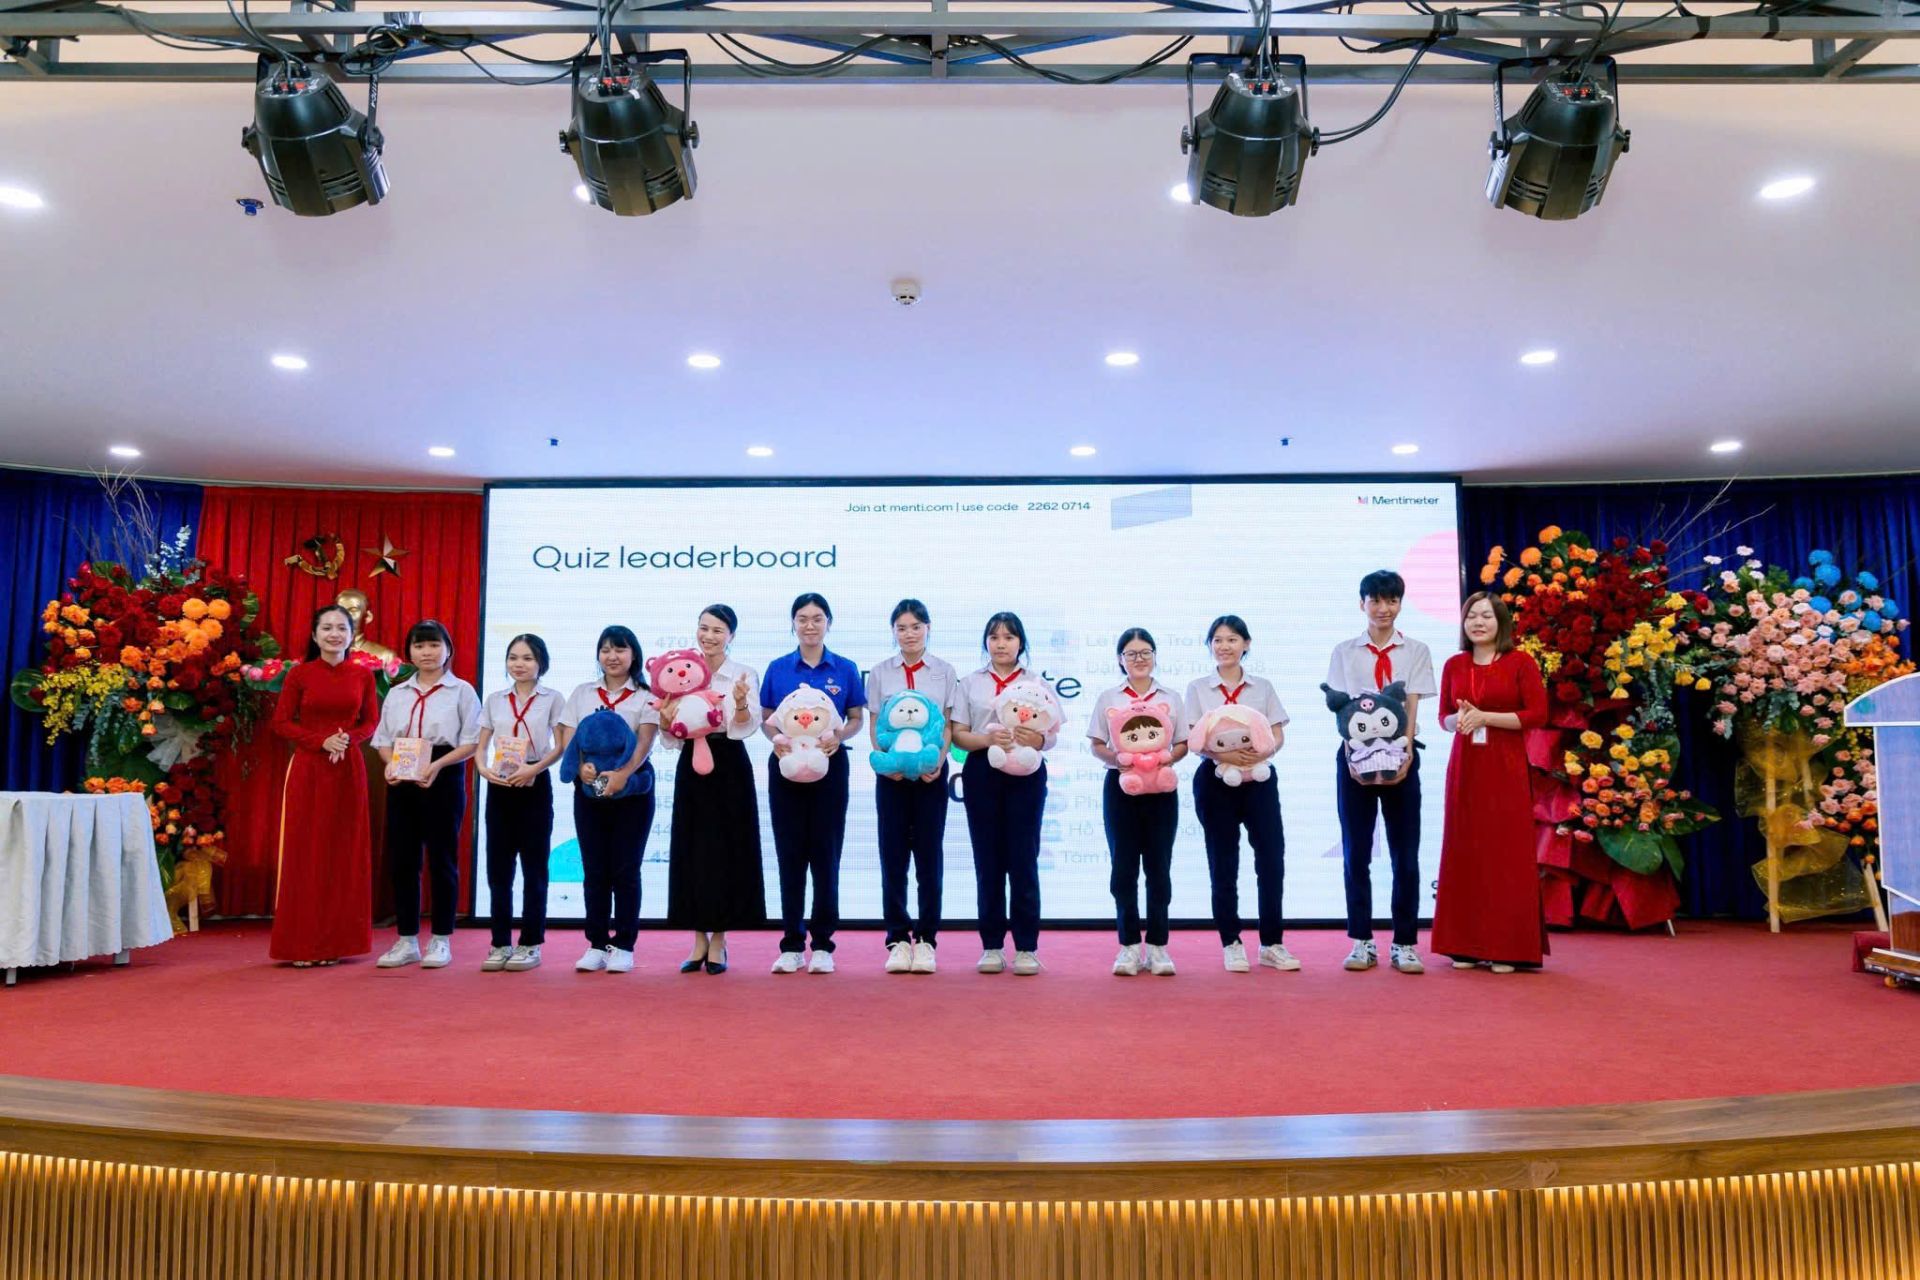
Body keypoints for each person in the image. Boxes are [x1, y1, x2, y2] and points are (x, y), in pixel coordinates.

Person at [1326, 569, 1438, 975]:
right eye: (1375, 600)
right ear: (1362, 604)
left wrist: (1404, 753)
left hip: (1401, 757)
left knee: (1405, 853)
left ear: (1400, 604)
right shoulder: (1344, 651)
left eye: (1391, 600)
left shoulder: (1417, 650)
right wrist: (1352, 758)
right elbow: (1343, 711)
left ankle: (1405, 943)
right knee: (1356, 852)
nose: (1383, 608)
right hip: (1354, 757)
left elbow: (1412, 704)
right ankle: (1362, 941)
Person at [1433, 591, 1550, 973]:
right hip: (1465, 766)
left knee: (1506, 852)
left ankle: (1507, 948)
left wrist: (1486, 718)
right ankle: (1464, 945)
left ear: (1501, 622)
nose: (1478, 622)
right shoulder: (1454, 664)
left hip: (1505, 766)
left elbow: (1537, 714)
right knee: (1464, 848)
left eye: (1485, 615)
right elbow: (1444, 717)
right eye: (1471, 616)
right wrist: (1460, 720)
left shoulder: (1520, 662)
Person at [268, 605, 380, 967]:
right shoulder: (300, 674)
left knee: (343, 852)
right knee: (306, 852)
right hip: (309, 768)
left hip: (348, 768)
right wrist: (321, 741)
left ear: (352, 635)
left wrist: (346, 739)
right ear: (315, 635)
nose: (334, 634)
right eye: (327, 628)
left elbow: (371, 721)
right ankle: (302, 945)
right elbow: (281, 722)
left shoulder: (363, 675)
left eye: (341, 628)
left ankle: (334, 944)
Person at [761, 593, 866, 974]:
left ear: (828, 623)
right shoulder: (778, 668)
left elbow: (856, 717)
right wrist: (776, 741)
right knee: (789, 856)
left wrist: (839, 736)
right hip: (786, 767)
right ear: (793, 623)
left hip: (830, 768)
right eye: (802, 618)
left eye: (817, 618)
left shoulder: (845, 668)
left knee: (825, 855)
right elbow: (767, 717)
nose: (810, 625)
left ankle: (823, 944)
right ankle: (791, 943)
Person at [1183, 615, 1295, 974]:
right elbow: (1194, 738)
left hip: (1259, 778)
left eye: (1232, 639)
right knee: (1223, 862)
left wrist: (1261, 753)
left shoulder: (1262, 687)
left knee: (1271, 860)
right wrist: (1224, 757)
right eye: (1217, 640)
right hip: (1215, 779)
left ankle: (1272, 943)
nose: (1224, 646)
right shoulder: (1198, 688)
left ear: (1246, 644)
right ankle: (1231, 942)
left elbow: (1277, 733)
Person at [951, 611, 1059, 977]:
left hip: (1027, 773)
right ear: (986, 642)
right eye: (994, 637)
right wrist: (986, 739)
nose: (1001, 644)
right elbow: (959, 734)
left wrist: (1038, 739)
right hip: (983, 770)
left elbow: (1052, 735)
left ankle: (1027, 946)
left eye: (1009, 637)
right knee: (988, 860)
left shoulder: (1036, 682)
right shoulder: (970, 683)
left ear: (1020, 643)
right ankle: (992, 946)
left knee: (1024, 858)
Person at [372, 620, 483, 970]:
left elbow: (471, 742)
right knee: (403, 860)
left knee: (442, 858)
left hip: (444, 772)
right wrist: (390, 765)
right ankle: (406, 939)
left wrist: (436, 766)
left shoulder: (462, 691)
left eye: (434, 645)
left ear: (448, 650)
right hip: (402, 774)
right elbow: (383, 740)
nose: (427, 652)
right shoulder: (397, 692)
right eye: (419, 646)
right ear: (410, 652)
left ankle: (441, 939)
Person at [663, 604, 766, 976]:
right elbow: (670, 738)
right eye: (703, 628)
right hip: (691, 761)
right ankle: (698, 939)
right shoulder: (680, 671)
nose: (708, 636)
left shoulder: (743, 674)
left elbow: (746, 727)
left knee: (727, 849)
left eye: (718, 630)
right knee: (692, 848)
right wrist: (666, 719)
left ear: (731, 636)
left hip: (729, 763)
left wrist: (739, 704)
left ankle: (719, 939)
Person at [554, 625, 659, 974]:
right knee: (595, 869)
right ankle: (597, 944)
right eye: (605, 650)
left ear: (634, 654)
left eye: (620, 649)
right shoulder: (583, 693)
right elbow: (571, 739)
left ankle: (625, 945)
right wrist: (582, 767)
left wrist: (622, 775)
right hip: (589, 790)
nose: (612, 656)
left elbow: (644, 743)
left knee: (626, 869)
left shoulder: (646, 695)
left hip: (632, 789)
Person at [865, 599, 960, 975]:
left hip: (930, 776)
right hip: (891, 778)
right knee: (892, 856)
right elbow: (876, 724)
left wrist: (937, 761)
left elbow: (947, 724)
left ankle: (926, 939)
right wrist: (885, 761)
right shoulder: (880, 672)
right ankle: (897, 938)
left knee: (928, 856)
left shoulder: (944, 672)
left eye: (916, 626)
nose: (909, 634)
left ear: (928, 628)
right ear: (893, 631)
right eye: (902, 628)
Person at [1088, 628, 1187, 977]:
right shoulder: (1108, 697)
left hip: (1161, 788)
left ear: (1155, 655)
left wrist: (1164, 759)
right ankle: (1129, 945)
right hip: (1121, 788)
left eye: (1145, 652)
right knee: (1124, 869)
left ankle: (1158, 946)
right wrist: (1120, 761)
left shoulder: (1171, 697)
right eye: (1131, 654)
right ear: (1120, 659)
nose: (1139, 659)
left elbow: (1183, 742)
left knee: (1159, 868)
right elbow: (1096, 744)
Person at [474, 634, 564, 973]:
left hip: (534, 784)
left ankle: (530, 942)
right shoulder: (495, 699)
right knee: (499, 869)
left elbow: (561, 745)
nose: (519, 664)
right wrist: (483, 770)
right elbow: (481, 746)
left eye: (528, 658)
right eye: (513, 657)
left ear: (541, 663)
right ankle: (499, 942)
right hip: (499, 784)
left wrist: (533, 769)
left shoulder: (552, 698)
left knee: (534, 868)